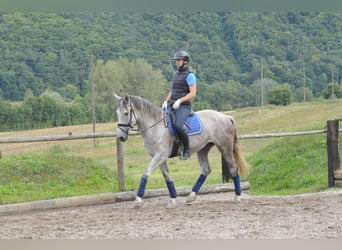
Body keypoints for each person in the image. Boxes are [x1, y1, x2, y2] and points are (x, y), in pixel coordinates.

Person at [162, 50, 197, 160]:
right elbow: (173, 91)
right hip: (173, 105)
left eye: (179, 60)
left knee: (178, 126)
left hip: (184, 106)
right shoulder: (176, 75)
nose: (177, 62)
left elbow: (192, 93)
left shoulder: (190, 76)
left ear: (185, 61)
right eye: (176, 60)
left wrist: (180, 101)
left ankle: (187, 150)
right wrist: (166, 101)